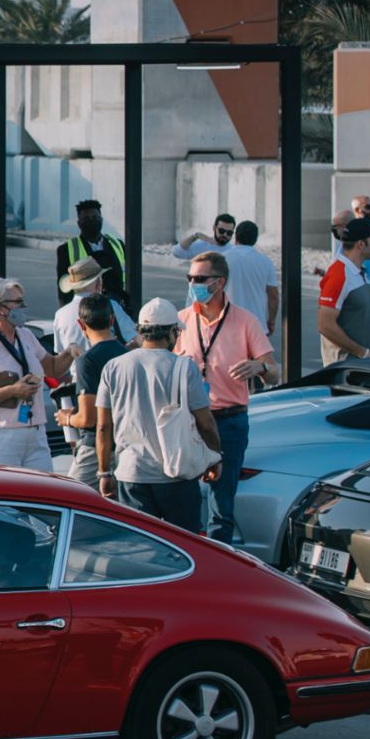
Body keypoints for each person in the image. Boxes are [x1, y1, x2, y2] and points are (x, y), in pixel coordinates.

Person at [95, 298, 221, 533]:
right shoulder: (184, 367)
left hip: (131, 473)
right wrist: (214, 457)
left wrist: (104, 472)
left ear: (141, 331)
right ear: (173, 332)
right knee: (186, 545)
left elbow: (103, 427)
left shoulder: (113, 367)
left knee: (141, 548)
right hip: (176, 472)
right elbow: (205, 423)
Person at [175, 250, 276, 544]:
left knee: (222, 504)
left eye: (199, 279)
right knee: (185, 497)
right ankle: (188, 559)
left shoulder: (246, 321)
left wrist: (259, 366)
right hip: (190, 420)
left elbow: (274, 373)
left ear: (219, 283)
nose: (193, 283)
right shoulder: (181, 321)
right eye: (190, 278)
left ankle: (218, 563)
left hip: (229, 420)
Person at [0, 277, 76, 470]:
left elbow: (53, 368)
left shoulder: (25, 335)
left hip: (34, 433)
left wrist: (70, 352)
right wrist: (13, 391)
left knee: (44, 494)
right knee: (2, 496)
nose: (24, 306)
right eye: (18, 302)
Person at [54, 294, 129, 488]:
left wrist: (67, 419)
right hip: (125, 443)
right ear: (111, 320)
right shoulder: (127, 355)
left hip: (94, 447)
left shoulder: (86, 361)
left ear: (81, 324)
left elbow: (89, 418)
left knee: (69, 497)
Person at [319, 214, 370, 365]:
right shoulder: (339, 275)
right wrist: (363, 352)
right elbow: (325, 324)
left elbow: (359, 320)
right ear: (361, 244)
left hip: (361, 366)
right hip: (344, 370)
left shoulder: (360, 272)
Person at [54, 199, 129, 312]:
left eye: (95, 217)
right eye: (86, 219)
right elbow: (64, 289)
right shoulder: (66, 250)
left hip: (117, 307)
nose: (91, 221)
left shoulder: (117, 244)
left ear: (102, 220)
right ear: (79, 223)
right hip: (87, 311)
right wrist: (66, 312)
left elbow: (128, 279)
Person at [52, 256, 137, 354]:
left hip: (75, 369)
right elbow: (137, 340)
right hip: (108, 368)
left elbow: (60, 353)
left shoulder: (60, 314)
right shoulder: (110, 305)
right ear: (99, 283)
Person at [223, 221, 280, 338]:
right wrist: (271, 321)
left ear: (236, 236)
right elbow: (273, 295)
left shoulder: (223, 259)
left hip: (227, 324)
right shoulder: (265, 262)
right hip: (257, 325)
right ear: (255, 239)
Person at [172, 213, 236, 261]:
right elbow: (177, 252)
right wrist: (195, 236)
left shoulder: (233, 250)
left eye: (229, 233)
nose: (225, 235)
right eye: (221, 231)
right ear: (214, 228)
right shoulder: (201, 245)